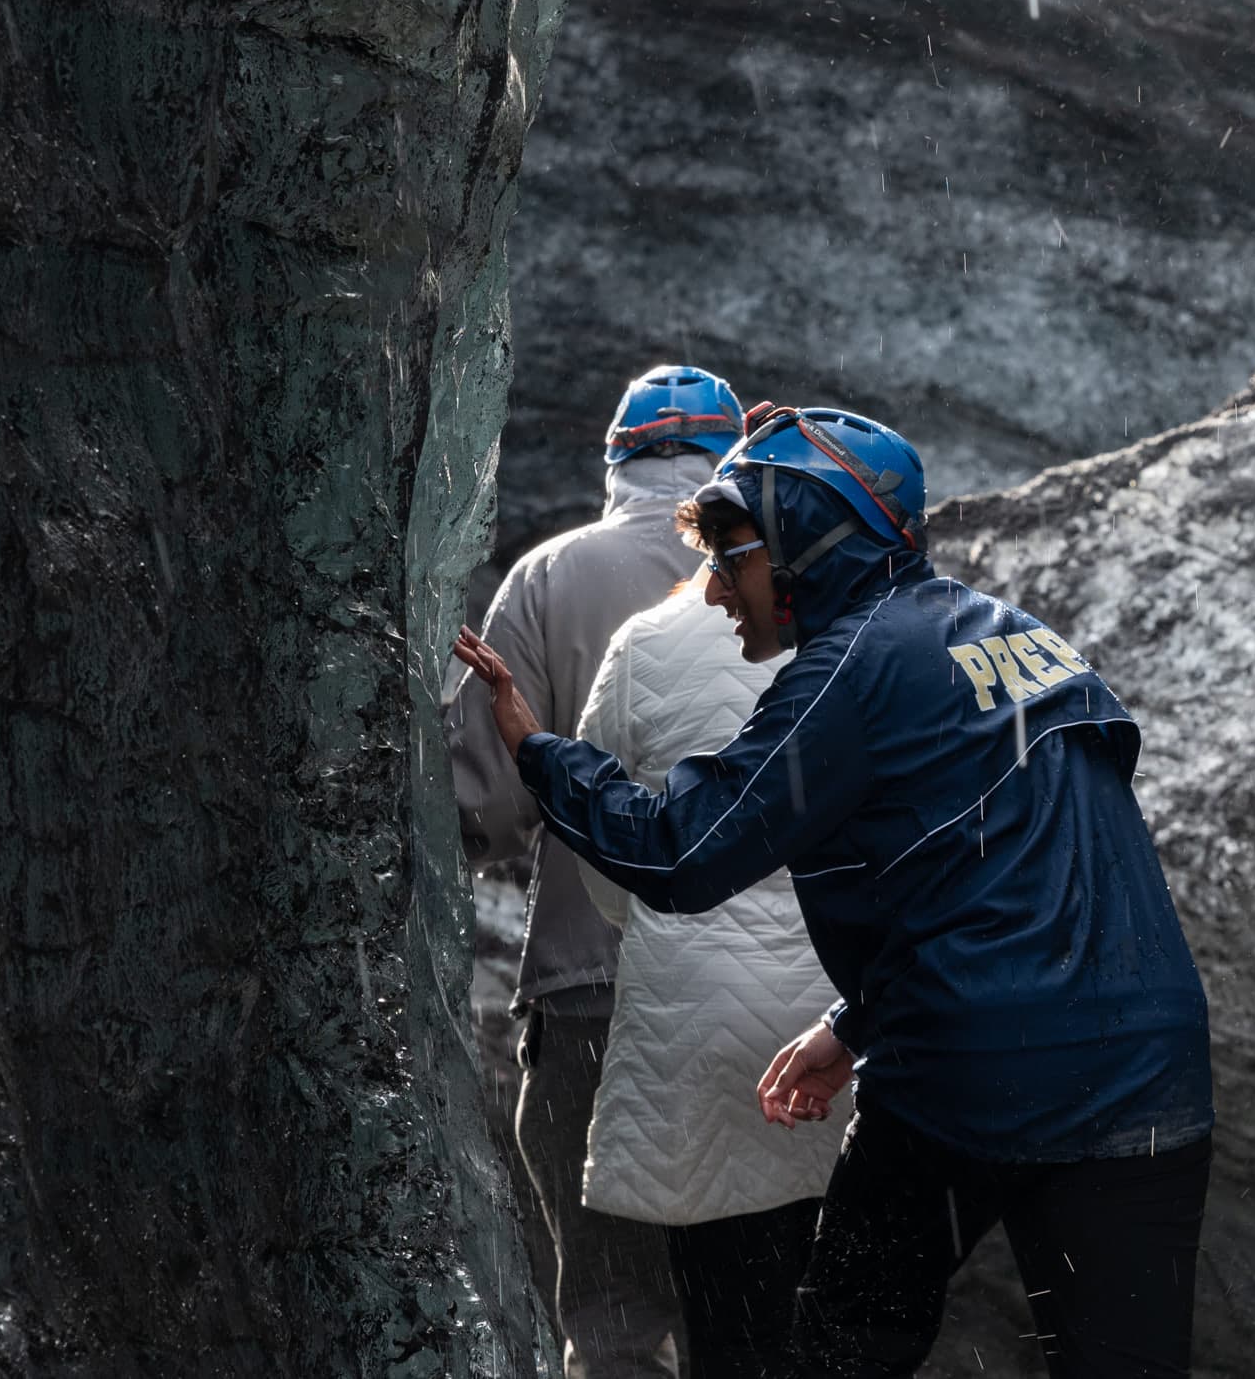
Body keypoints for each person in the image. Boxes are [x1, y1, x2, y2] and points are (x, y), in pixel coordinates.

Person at [452, 404, 1215, 1379]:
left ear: (809, 548)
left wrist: (539, 750)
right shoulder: (1012, 634)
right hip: (1152, 1066)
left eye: (732, 559)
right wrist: (855, 1024)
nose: (718, 592)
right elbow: (1016, 881)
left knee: (838, 1351)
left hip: (970, 1068)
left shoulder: (848, 670)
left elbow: (682, 851)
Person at [441, 363, 747, 1378]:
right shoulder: (784, 577)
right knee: (752, 1308)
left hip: (591, 996)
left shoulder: (549, 574)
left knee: (614, 1321)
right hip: (756, 998)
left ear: (616, 460)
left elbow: (481, 801)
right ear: (729, 455)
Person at [571, 576, 839, 1379]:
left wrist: (659, 927)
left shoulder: (647, 640)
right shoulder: (862, 636)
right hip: (845, 1018)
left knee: (731, 1328)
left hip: (696, 1028)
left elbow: (604, 840)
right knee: (848, 1322)